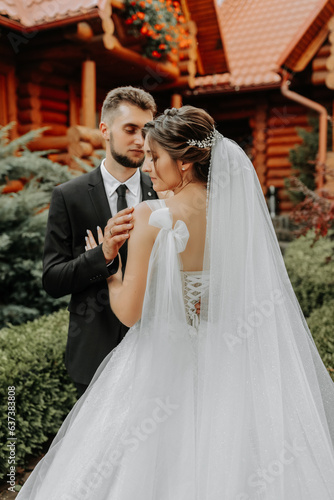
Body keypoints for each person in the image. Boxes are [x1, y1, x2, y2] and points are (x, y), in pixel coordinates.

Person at [18, 106, 334, 499]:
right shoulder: (236, 215)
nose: (146, 165)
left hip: (160, 367)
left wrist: (110, 268)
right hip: (229, 362)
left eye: (155, 156)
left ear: (183, 163)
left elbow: (130, 314)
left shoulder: (152, 215)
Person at [42, 86, 158, 397]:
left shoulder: (164, 192)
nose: (140, 140)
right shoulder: (69, 196)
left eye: (146, 130)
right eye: (130, 129)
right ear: (104, 130)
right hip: (94, 354)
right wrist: (102, 256)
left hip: (156, 353)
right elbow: (52, 279)